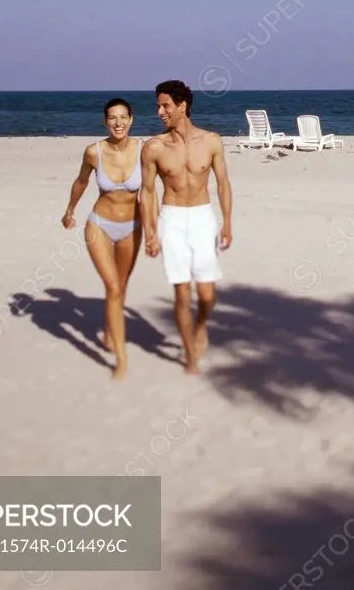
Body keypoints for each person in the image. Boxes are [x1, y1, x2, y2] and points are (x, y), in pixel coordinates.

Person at [141, 80, 232, 374]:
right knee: (182, 293)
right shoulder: (153, 147)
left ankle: (201, 326)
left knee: (206, 295)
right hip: (172, 219)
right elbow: (147, 191)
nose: (160, 112)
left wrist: (227, 222)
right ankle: (190, 355)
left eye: (165, 105)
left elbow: (223, 183)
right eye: (157, 106)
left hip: (203, 218)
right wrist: (151, 231)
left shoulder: (211, 141)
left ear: (182, 106)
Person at [61, 98, 143, 380]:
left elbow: (160, 186)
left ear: (131, 119)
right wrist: (69, 210)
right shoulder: (94, 152)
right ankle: (121, 357)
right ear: (105, 122)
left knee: (120, 286)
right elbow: (81, 182)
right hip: (100, 225)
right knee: (112, 286)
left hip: (133, 226)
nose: (118, 123)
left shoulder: (145, 150)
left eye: (123, 117)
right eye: (112, 118)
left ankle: (111, 329)